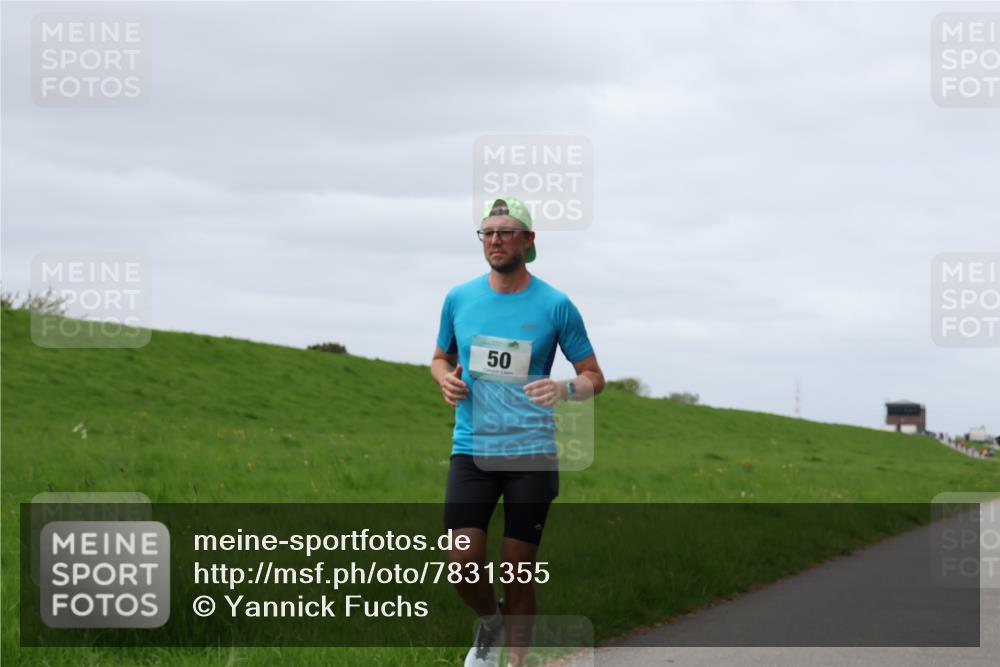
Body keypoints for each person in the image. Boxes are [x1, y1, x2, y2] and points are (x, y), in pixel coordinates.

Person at [430, 196, 605, 667]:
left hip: (531, 454)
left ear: (528, 241)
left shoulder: (555, 305)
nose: (495, 240)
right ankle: (491, 624)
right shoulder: (459, 298)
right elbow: (441, 357)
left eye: (505, 232)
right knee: (462, 564)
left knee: (517, 571)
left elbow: (594, 376)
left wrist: (565, 388)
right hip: (472, 449)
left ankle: (516, 662)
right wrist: (444, 378)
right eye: (488, 233)